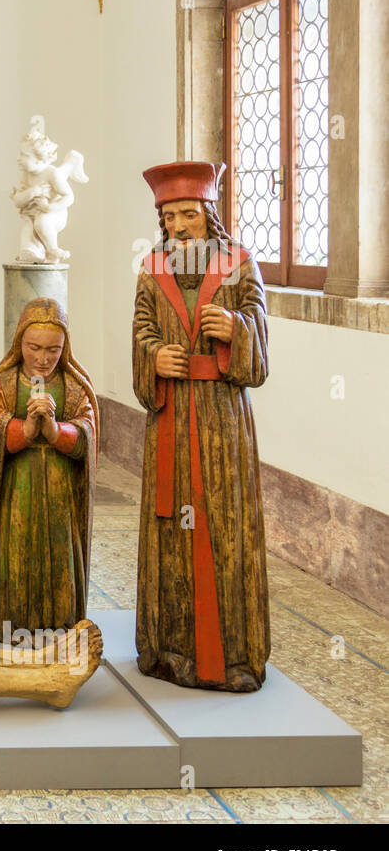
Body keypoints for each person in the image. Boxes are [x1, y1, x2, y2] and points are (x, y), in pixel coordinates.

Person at [133, 161, 270, 691]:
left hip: (220, 421)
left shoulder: (240, 265)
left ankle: (234, 656)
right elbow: (141, 332)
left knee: (225, 528)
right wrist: (154, 358)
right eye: (169, 217)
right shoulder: (151, 268)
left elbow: (260, 338)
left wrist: (237, 328)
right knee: (172, 534)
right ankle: (172, 650)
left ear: (208, 214)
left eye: (189, 213)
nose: (179, 226)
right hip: (170, 419)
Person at [0, 298, 98, 636]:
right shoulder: (3, 383)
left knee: (60, 554)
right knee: (18, 553)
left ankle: (61, 623)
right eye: (34, 347)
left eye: (54, 349)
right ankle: (15, 622)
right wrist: (26, 429)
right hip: (17, 488)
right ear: (20, 342)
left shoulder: (75, 385)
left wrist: (53, 430)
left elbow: (87, 435)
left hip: (61, 490)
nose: (43, 358)